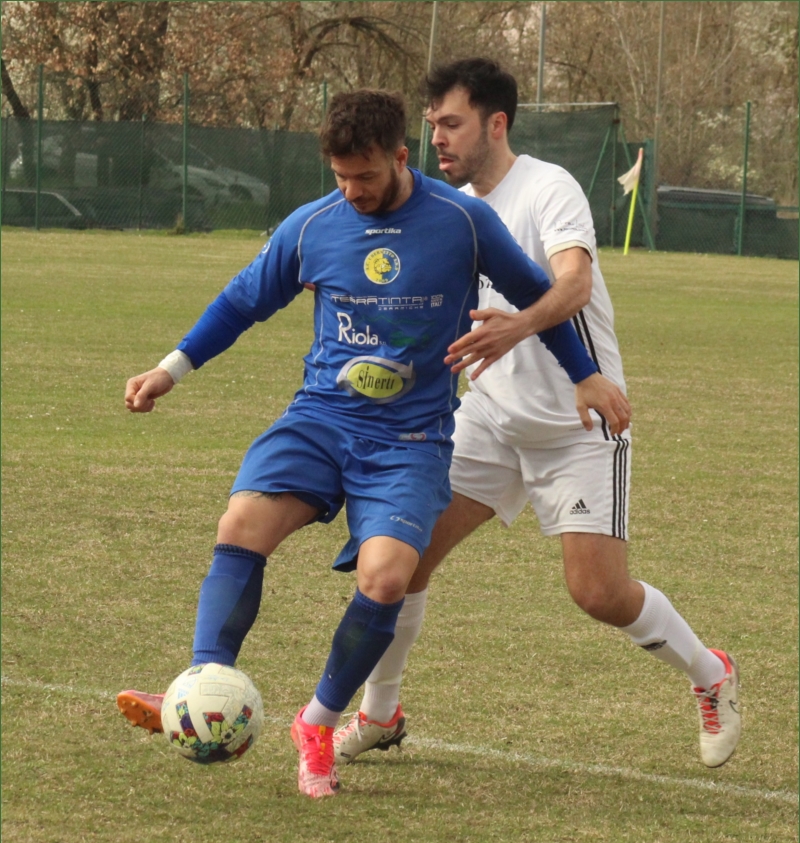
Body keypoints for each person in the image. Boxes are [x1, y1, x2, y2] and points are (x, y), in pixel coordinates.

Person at [116, 89, 631, 799]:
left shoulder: (462, 221)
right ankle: (205, 684)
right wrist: (170, 370)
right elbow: (242, 301)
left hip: (410, 438)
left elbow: (537, 296)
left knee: (387, 578)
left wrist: (586, 376)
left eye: (365, 175)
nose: (352, 191)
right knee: (240, 524)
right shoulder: (313, 225)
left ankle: (318, 725)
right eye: (340, 177)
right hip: (321, 419)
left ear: (399, 157)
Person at [333, 60, 741, 770]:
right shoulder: (449, 207)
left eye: (452, 123)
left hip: (577, 424)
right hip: (490, 418)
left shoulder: (549, 188)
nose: (438, 139)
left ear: (496, 123)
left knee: (598, 592)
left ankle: (711, 673)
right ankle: (380, 712)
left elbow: (574, 283)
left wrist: (519, 327)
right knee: (404, 555)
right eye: (432, 125)